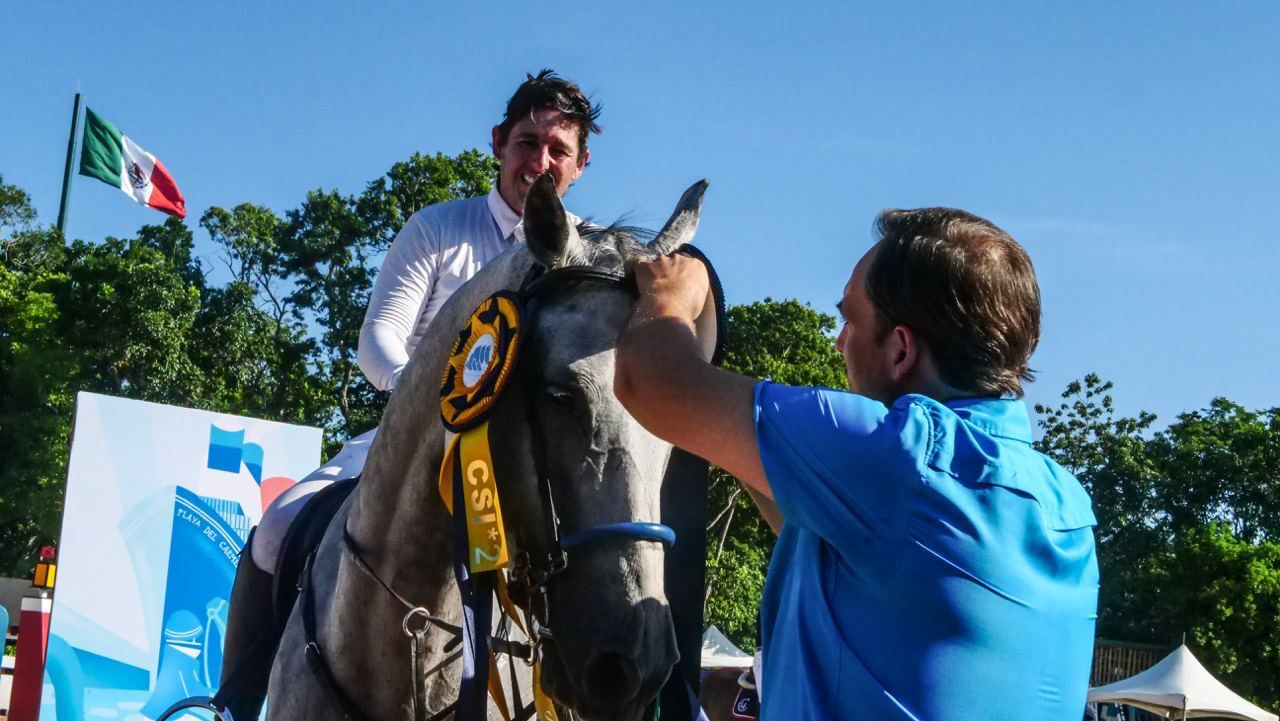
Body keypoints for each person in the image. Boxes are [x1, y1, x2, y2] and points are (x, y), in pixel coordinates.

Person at [217, 69, 601, 721]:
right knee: (278, 526)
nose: (539, 162)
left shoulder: (589, 256)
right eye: (526, 142)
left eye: (557, 149)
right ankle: (234, 703)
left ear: (581, 164)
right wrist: (429, 399)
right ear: (497, 144)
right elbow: (379, 339)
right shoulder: (437, 229)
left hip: (531, 465)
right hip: (410, 437)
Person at [614, 208, 1099, 720]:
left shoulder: (901, 458)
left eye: (850, 319)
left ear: (901, 350)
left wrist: (671, 298)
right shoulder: (1062, 502)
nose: (839, 340)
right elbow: (833, 547)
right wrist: (729, 439)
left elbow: (649, 382)